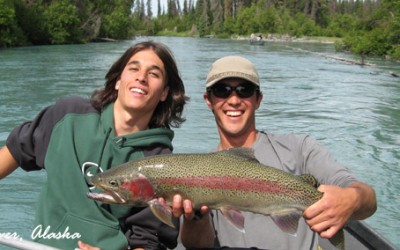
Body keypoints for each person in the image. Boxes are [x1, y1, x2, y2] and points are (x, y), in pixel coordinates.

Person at [174, 56, 377, 249]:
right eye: (222, 90)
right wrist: (196, 217)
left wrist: (351, 199)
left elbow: (368, 200)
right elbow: (198, 246)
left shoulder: (300, 149)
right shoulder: (199, 173)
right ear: (208, 100)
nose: (234, 100)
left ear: (258, 99)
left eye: (244, 90)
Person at [0, 41, 188, 250]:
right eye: (133, 68)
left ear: (164, 93)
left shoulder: (161, 163)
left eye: (154, 74)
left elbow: (147, 241)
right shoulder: (67, 116)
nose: (141, 77)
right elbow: (16, 150)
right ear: (118, 80)